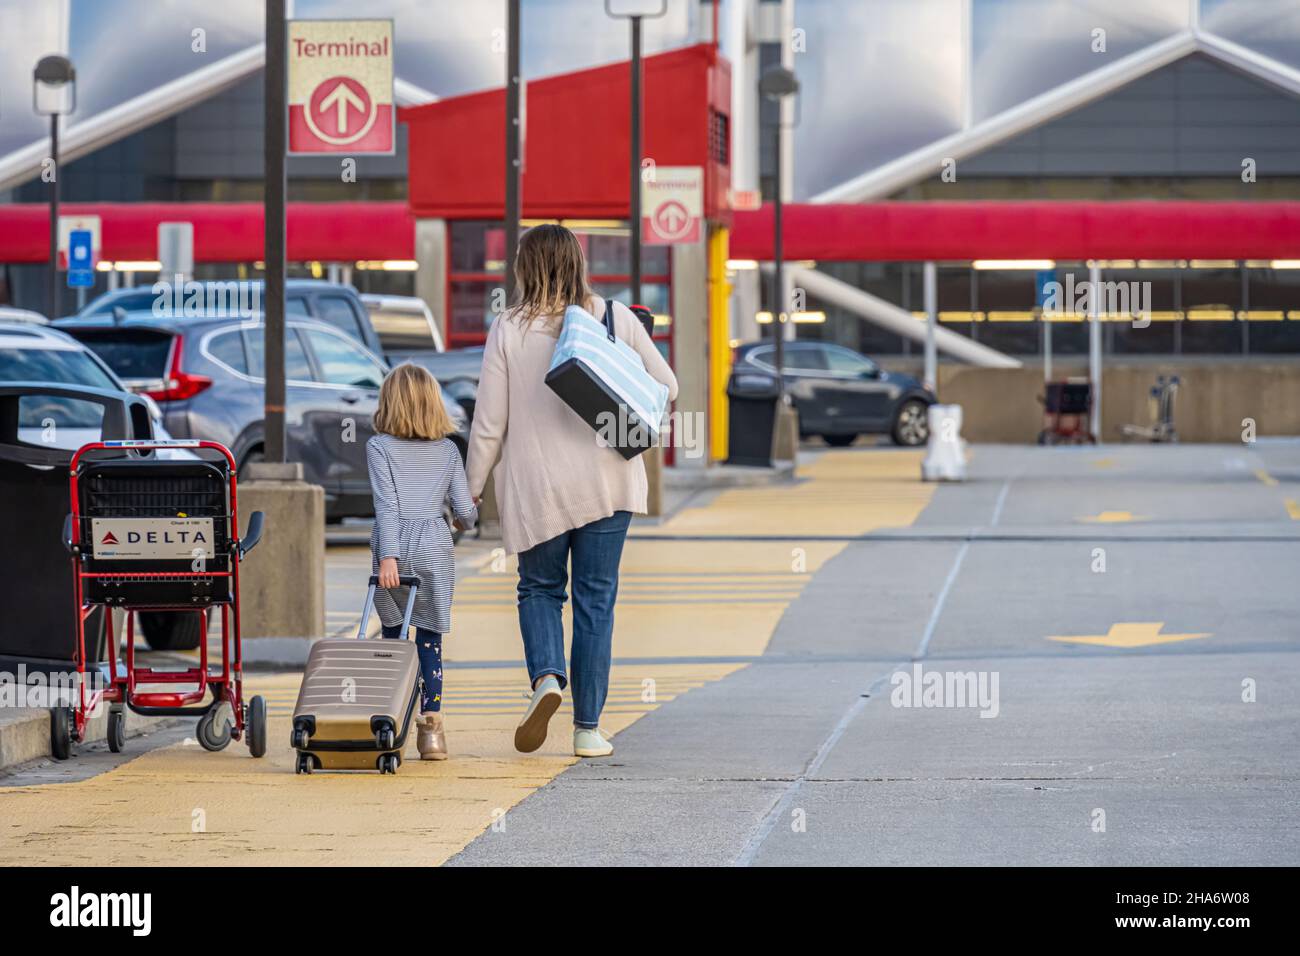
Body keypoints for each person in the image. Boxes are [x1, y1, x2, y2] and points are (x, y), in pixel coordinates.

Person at [467, 224, 678, 758]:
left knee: (539, 589)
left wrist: (468, 492)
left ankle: (546, 678)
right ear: (577, 264)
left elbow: (490, 424)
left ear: (525, 267)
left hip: (539, 488)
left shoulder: (509, 329)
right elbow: (668, 389)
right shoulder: (614, 318)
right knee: (595, 602)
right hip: (609, 483)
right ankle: (588, 729)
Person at [368, 363, 477, 760]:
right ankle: (432, 734)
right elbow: (465, 512)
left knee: (394, 639)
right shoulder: (449, 450)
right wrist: (467, 514)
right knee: (430, 640)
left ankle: (390, 723)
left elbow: (387, 506)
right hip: (435, 546)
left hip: (393, 552)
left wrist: (389, 557)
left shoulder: (379, 447)